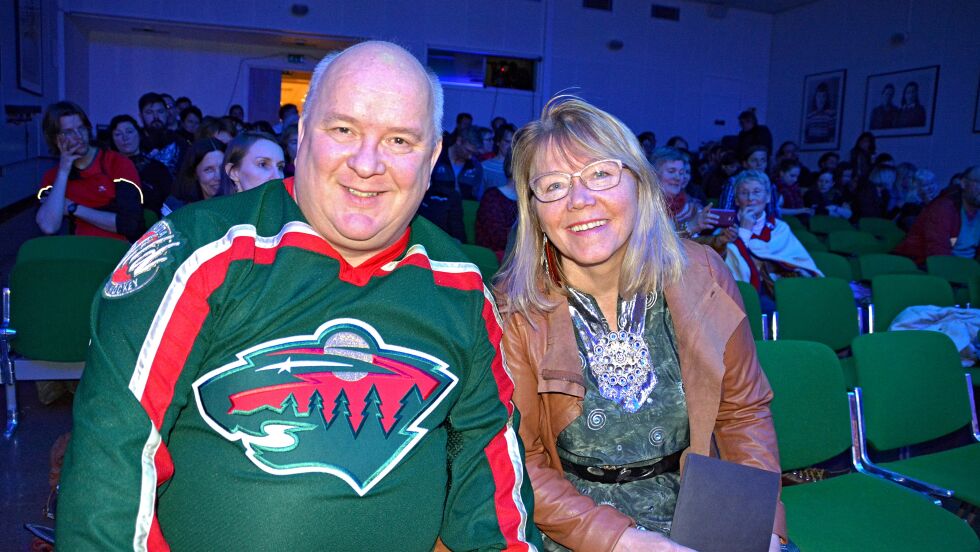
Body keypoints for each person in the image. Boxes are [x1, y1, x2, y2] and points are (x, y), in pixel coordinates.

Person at [56, 41, 540, 551]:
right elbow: (110, 469)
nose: (367, 162)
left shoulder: (459, 287)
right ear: (304, 132)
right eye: (344, 130)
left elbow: (493, 497)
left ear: (433, 155)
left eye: (399, 140)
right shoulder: (197, 255)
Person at [495, 96, 787, 552]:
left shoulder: (704, 274)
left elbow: (741, 413)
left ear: (639, 183)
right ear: (534, 210)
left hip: (700, 502)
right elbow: (521, 460)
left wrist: (761, 525)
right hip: (573, 523)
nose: (580, 200)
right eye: (553, 186)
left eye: (601, 174)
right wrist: (623, 542)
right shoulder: (515, 309)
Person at [36, 101, 145, 243]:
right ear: (56, 139)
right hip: (77, 251)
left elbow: (131, 225)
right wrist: (63, 171)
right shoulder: (53, 176)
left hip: (118, 251)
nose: (78, 136)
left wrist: (73, 208)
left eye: (81, 128)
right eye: (68, 132)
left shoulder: (117, 164)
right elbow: (49, 226)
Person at [724, 170, 822, 313]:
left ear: (768, 197)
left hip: (784, 289)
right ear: (737, 200)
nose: (751, 198)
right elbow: (728, 271)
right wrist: (744, 232)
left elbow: (802, 265)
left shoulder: (780, 228)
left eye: (757, 192)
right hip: (744, 294)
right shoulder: (724, 231)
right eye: (744, 193)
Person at [895, 166, 980, 265]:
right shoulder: (943, 208)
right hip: (920, 268)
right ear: (963, 183)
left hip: (964, 270)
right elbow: (938, 255)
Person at [109, 114, 173, 215]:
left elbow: (169, 201)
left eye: (129, 132)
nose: (125, 138)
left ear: (139, 134)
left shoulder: (157, 168)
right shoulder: (108, 168)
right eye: (118, 134)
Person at [162, 137, 226, 213]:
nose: (218, 177)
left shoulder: (240, 202)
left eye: (223, 168)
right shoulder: (176, 208)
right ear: (194, 173)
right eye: (209, 170)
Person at [476, 150, 518, 260]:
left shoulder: (531, 201)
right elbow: (498, 239)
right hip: (493, 261)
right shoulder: (492, 197)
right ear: (511, 167)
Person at [139, 92, 189, 178]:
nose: (156, 117)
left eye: (160, 111)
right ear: (141, 116)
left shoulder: (180, 143)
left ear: (166, 113)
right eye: (149, 112)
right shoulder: (133, 142)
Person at [221, 130, 285, 194]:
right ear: (233, 173)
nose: (278, 177)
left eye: (280, 167)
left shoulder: (290, 203)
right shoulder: (214, 204)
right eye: (263, 164)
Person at [483, 124, 516, 192]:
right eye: (507, 141)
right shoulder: (485, 166)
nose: (511, 146)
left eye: (514, 142)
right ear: (498, 142)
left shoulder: (519, 168)